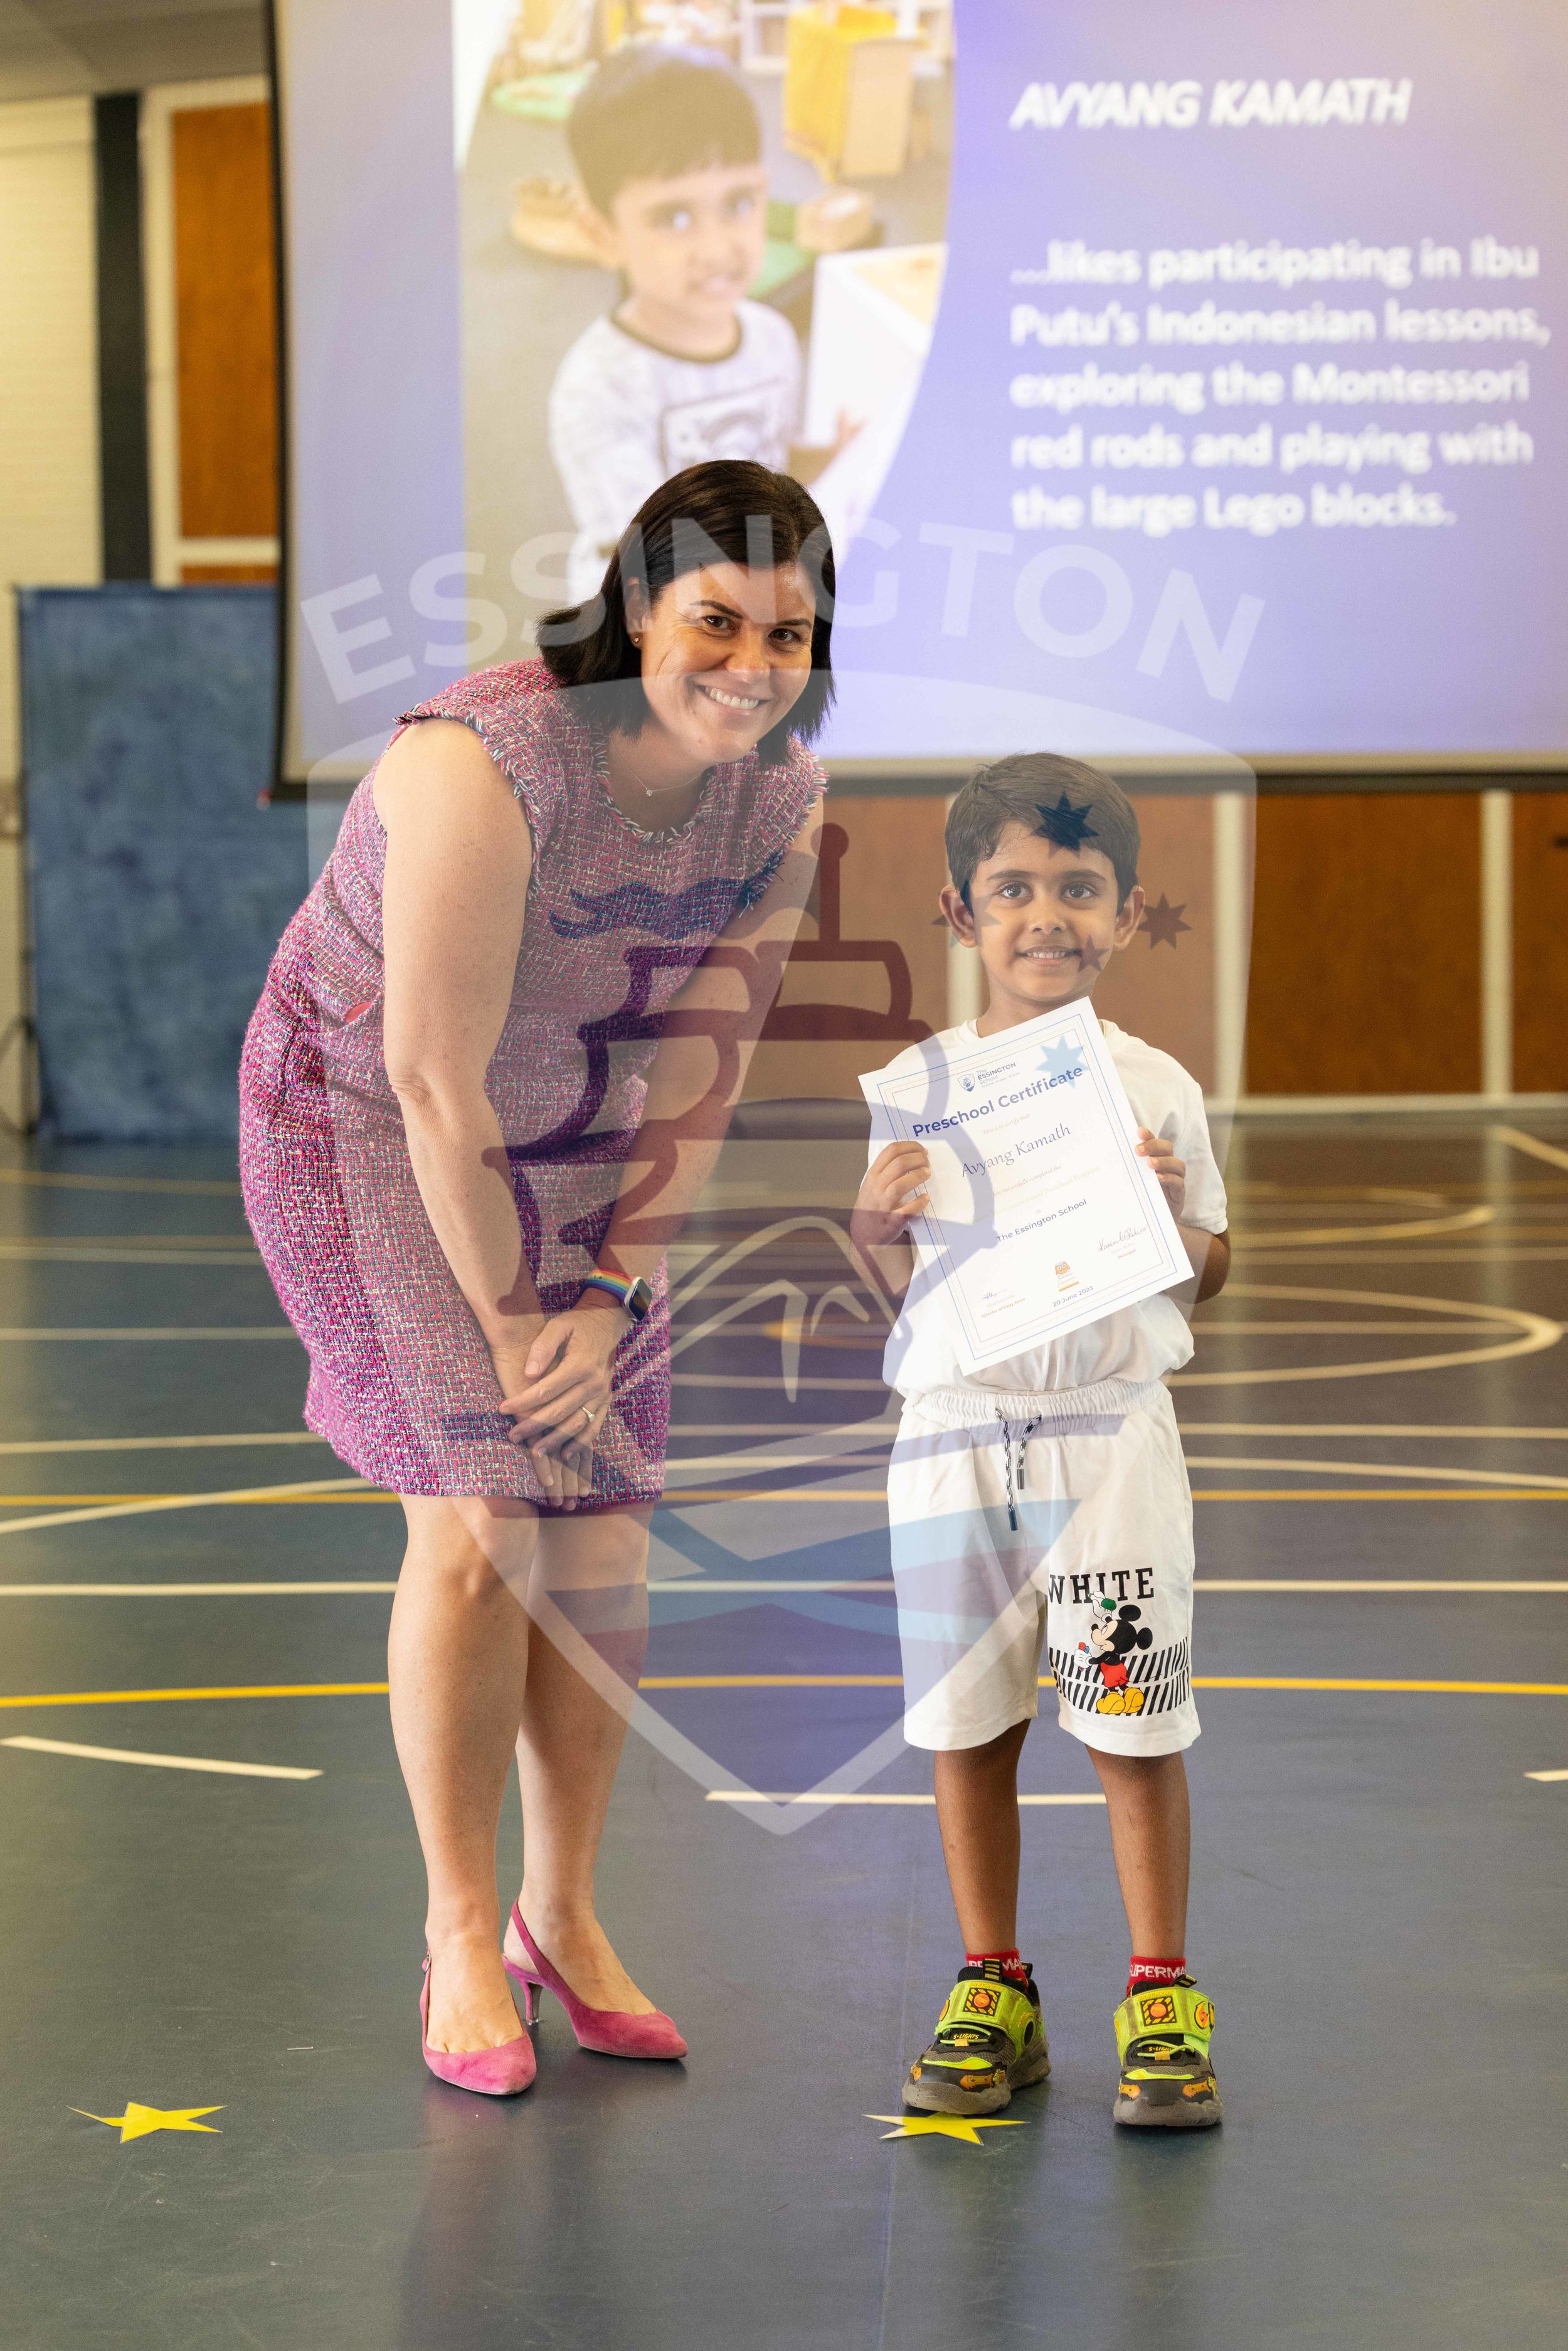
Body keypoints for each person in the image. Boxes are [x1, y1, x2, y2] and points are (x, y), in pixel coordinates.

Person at [240, 460, 832, 2094]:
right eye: (714, 620)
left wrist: (613, 1292)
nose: (749, 665)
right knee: (486, 1515)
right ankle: (453, 1929)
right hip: (365, 1126)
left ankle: (556, 1914)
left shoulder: (781, 800)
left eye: (786, 635)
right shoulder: (480, 760)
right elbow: (430, 1077)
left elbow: (701, 1064)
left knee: (602, 1540)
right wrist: (514, 1326)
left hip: (579, 1132)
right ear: (638, 609)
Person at [850, 755, 1231, 2130]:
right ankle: (990, 1981)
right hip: (954, 1441)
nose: (1045, 915)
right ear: (961, 912)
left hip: (1107, 1444)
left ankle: (1160, 1987)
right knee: (967, 1726)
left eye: (1077, 888)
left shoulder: (1155, 1086)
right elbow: (892, 1275)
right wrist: (873, 1222)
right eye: (1012, 888)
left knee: (1133, 1725)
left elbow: (1212, 1268)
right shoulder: (917, 1086)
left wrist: (1172, 1219)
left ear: (1123, 912)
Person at [549, 45, 844, 603]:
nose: (717, 248)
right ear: (603, 235)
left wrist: (830, 458)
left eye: (739, 203)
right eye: (675, 216)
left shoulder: (773, 339)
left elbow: (771, 458)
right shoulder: (598, 388)